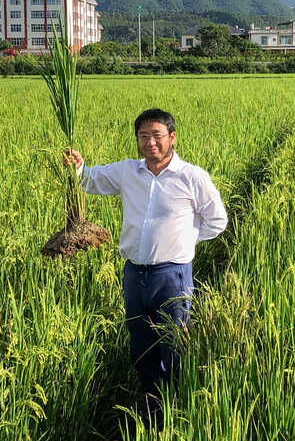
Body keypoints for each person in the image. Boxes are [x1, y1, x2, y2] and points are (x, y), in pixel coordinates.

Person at [64, 108, 228, 419]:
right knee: (142, 346)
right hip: (134, 274)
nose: (150, 142)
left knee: (175, 346)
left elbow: (217, 220)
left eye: (157, 136)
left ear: (172, 138)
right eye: (143, 137)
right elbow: (89, 181)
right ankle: (152, 408)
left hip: (173, 275)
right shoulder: (128, 172)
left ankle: (177, 410)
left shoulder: (192, 177)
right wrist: (77, 166)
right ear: (137, 140)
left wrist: (185, 240)